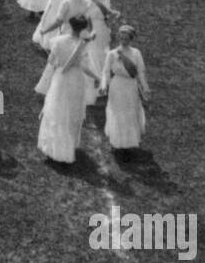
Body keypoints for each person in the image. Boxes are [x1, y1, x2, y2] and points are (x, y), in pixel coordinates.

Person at [35, 14, 100, 164]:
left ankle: (53, 148)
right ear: (83, 28)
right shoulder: (83, 45)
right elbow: (84, 67)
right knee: (71, 112)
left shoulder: (58, 41)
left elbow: (51, 61)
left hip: (60, 79)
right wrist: (97, 78)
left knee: (56, 110)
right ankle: (67, 147)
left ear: (70, 25)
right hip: (76, 80)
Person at [100, 24, 149, 152]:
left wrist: (145, 87)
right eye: (121, 38)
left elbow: (140, 71)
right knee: (117, 112)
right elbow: (105, 72)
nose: (124, 40)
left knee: (130, 112)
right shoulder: (111, 54)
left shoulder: (136, 53)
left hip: (130, 86)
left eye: (126, 38)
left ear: (131, 39)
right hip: (117, 86)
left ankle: (128, 143)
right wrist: (104, 85)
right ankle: (116, 141)